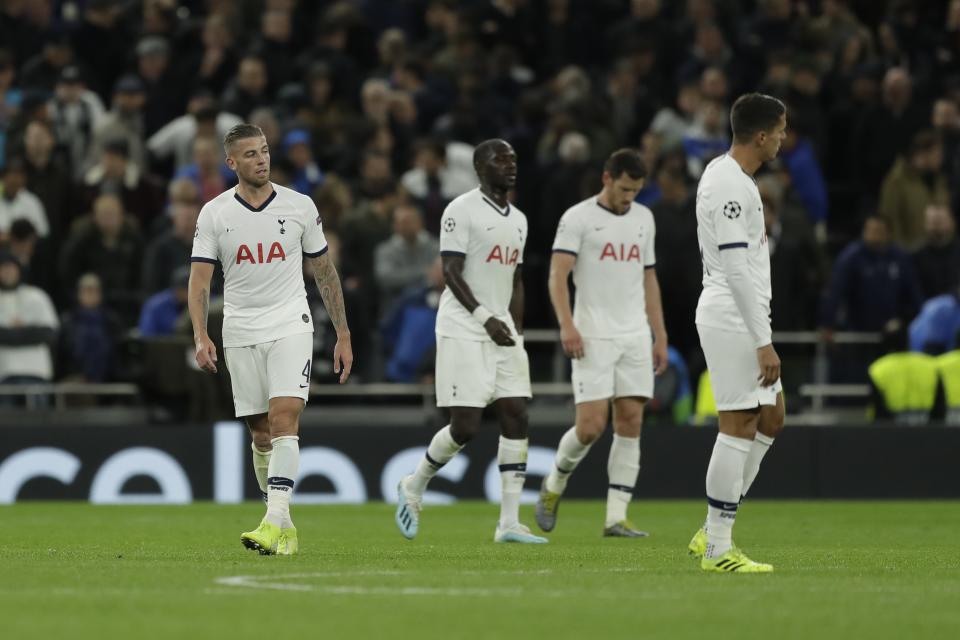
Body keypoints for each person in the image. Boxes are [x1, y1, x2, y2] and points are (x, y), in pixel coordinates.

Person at [189, 123, 353, 556]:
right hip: (240, 328)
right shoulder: (215, 213)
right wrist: (201, 333)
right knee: (261, 434)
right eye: (250, 154)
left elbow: (324, 272)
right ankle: (285, 523)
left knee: (284, 420)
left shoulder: (299, 206)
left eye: (264, 151)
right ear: (231, 163)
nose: (261, 159)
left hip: (290, 323)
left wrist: (343, 332)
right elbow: (200, 280)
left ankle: (269, 521)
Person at [394, 139, 545, 544]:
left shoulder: (520, 220)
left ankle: (509, 522)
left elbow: (515, 279)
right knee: (466, 426)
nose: (509, 165)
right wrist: (484, 317)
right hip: (464, 326)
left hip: (502, 331)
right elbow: (451, 272)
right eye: (500, 159)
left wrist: (518, 327)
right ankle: (414, 484)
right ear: (480, 168)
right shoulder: (460, 210)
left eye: (513, 158)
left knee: (517, 414)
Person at [534, 148, 667, 538]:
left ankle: (616, 517)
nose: (630, 197)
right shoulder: (578, 218)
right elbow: (557, 276)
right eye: (625, 188)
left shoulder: (645, 218)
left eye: (637, 190)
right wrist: (567, 325)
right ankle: (554, 483)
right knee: (591, 426)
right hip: (592, 332)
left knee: (631, 421)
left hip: (634, 333)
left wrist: (659, 335)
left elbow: (649, 279)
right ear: (607, 179)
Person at [687, 93, 788, 573]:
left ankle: (712, 530)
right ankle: (717, 547)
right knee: (739, 423)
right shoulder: (731, 184)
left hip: (741, 313)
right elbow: (733, 266)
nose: (784, 139)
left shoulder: (730, 177)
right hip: (732, 315)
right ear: (762, 135)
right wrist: (761, 338)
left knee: (772, 418)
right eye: (782, 131)